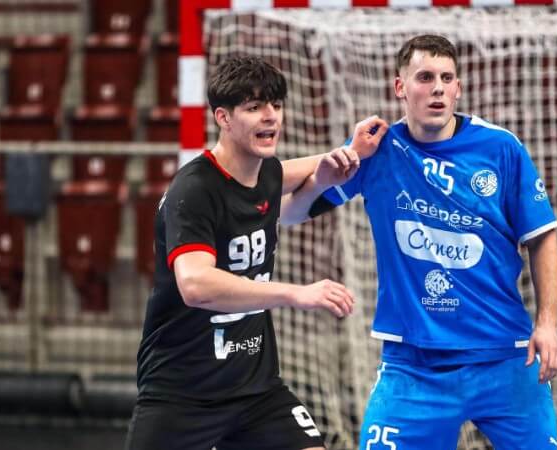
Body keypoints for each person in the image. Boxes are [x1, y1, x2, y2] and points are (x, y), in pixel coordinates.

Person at [284, 34, 557, 450]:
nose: (437, 88)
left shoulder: (500, 148)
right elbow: (289, 214)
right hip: (413, 365)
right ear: (400, 87)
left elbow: (542, 238)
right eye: (425, 77)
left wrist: (548, 324)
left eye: (446, 78)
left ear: (458, 88)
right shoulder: (376, 150)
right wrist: (323, 177)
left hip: (505, 355)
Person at [125, 55, 388, 450]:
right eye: (253, 107)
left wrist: (348, 155)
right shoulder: (194, 190)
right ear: (223, 118)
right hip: (183, 393)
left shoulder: (265, 173)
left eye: (276, 105)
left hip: (255, 392)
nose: (270, 117)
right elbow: (196, 285)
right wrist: (295, 293)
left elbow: (290, 208)